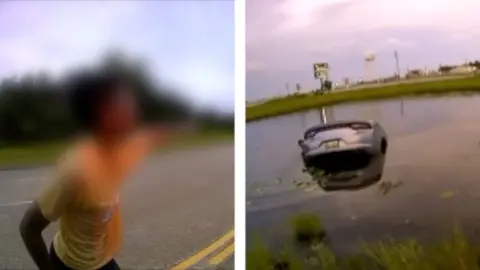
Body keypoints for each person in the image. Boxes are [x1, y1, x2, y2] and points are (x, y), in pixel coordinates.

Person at [19, 70, 194, 270]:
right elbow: (29, 228)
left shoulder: (119, 148)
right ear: (102, 114)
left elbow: (148, 137)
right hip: (74, 265)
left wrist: (180, 128)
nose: (133, 109)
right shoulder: (75, 170)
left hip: (102, 258)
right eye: (123, 103)